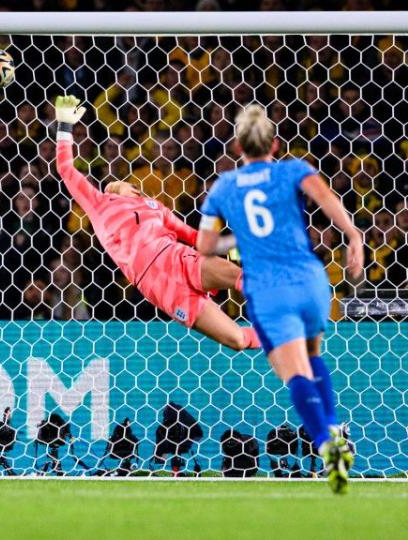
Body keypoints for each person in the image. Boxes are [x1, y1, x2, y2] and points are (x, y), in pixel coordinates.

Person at [196, 104, 363, 494]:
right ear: (275, 143)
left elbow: (205, 246)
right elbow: (328, 203)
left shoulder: (223, 186)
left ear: (237, 147)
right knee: (314, 355)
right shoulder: (295, 169)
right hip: (310, 280)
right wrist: (353, 237)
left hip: (269, 289)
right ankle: (335, 429)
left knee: (294, 373)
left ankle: (326, 444)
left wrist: (238, 239)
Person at [53, 95, 260, 351]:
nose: (123, 185)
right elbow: (66, 169)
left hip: (178, 258)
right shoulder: (99, 204)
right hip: (160, 286)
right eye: (115, 185)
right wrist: (64, 125)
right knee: (237, 340)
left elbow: (196, 238)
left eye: (124, 183)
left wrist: (236, 248)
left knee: (243, 278)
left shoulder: (156, 208)